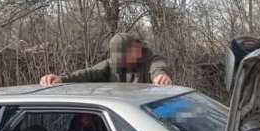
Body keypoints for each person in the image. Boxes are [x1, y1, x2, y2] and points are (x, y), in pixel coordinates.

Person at [39, 32, 173, 86]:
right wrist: (61, 79)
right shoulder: (111, 64)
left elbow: (158, 65)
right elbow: (89, 73)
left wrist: (160, 75)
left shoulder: (149, 59)